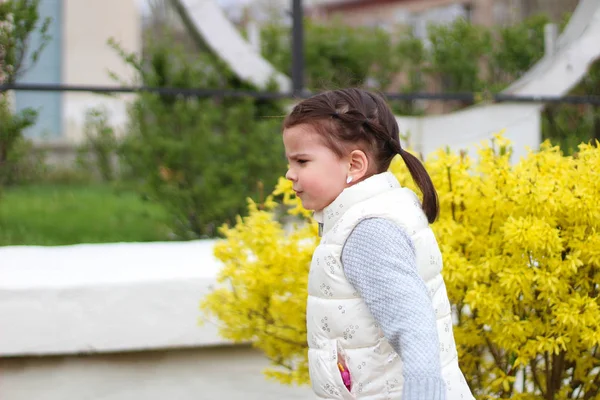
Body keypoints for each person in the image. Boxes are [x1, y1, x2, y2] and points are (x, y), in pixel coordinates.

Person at [282, 88, 474, 400]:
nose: (290, 174)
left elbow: (415, 326)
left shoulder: (368, 231)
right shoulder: (365, 217)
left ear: (354, 165)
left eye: (302, 161)